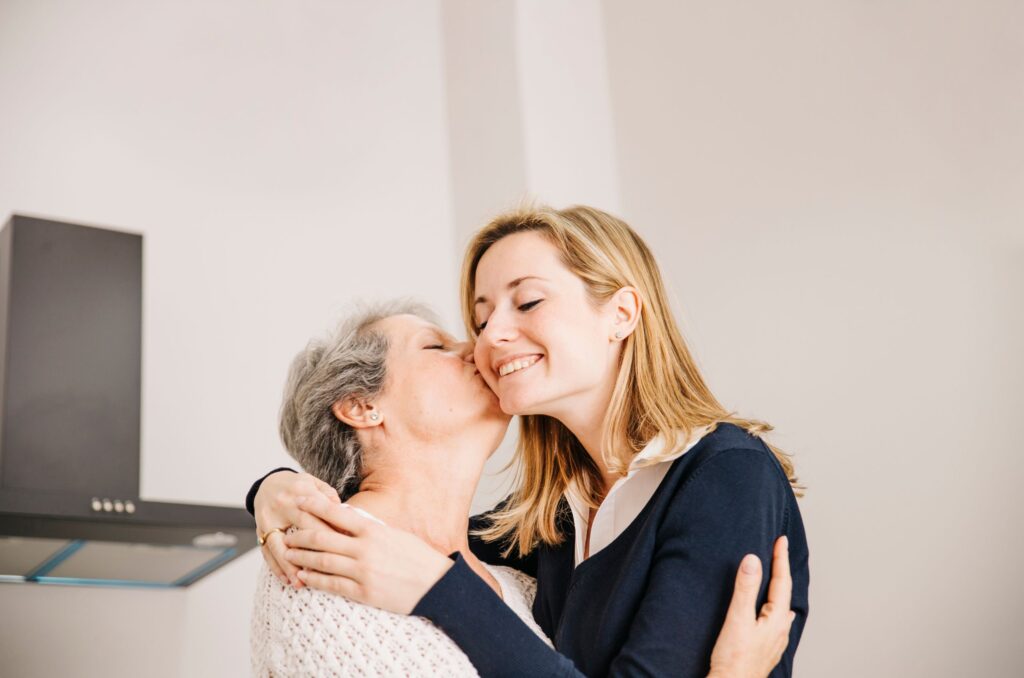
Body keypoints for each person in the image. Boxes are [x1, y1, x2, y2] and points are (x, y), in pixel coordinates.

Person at [252, 204, 809, 676]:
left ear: (620, 313)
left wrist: (438, 589)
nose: (487, 338)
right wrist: (272, 490)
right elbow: (413, 532)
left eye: (528, 302)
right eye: (483, 315)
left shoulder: (724, 474)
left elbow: (429, 566)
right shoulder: (552, 526)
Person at [252, 302, 551, 677]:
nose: (476, 348)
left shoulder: (525, 586)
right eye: (435, 346)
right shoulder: (317, 560)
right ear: (361, 406)